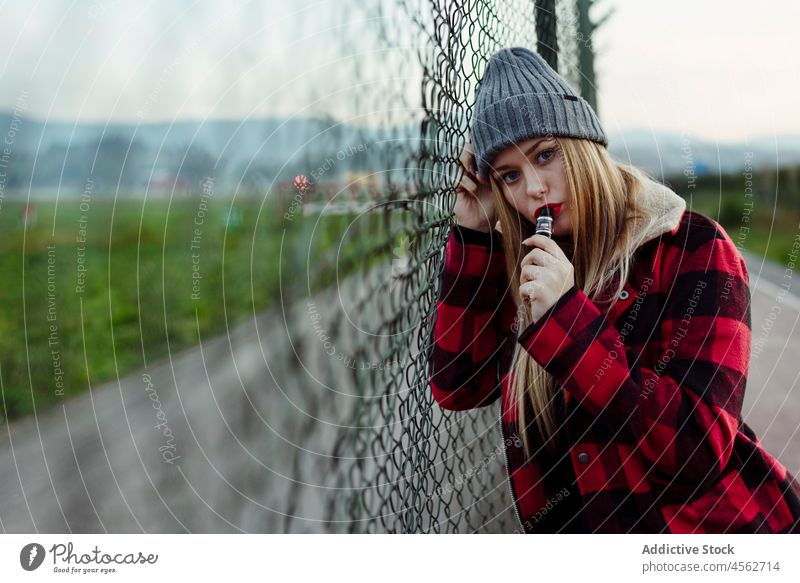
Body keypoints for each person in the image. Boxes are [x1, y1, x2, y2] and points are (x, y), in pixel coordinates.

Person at [428, 46, 800, 533]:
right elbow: (457, 385)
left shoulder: (692, 248)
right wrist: (475, 236)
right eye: (511, 176)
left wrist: (567, 321)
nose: (535, 188)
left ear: (584, 146)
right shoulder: (528, 269)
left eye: (546, 154)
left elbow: (698, 450)